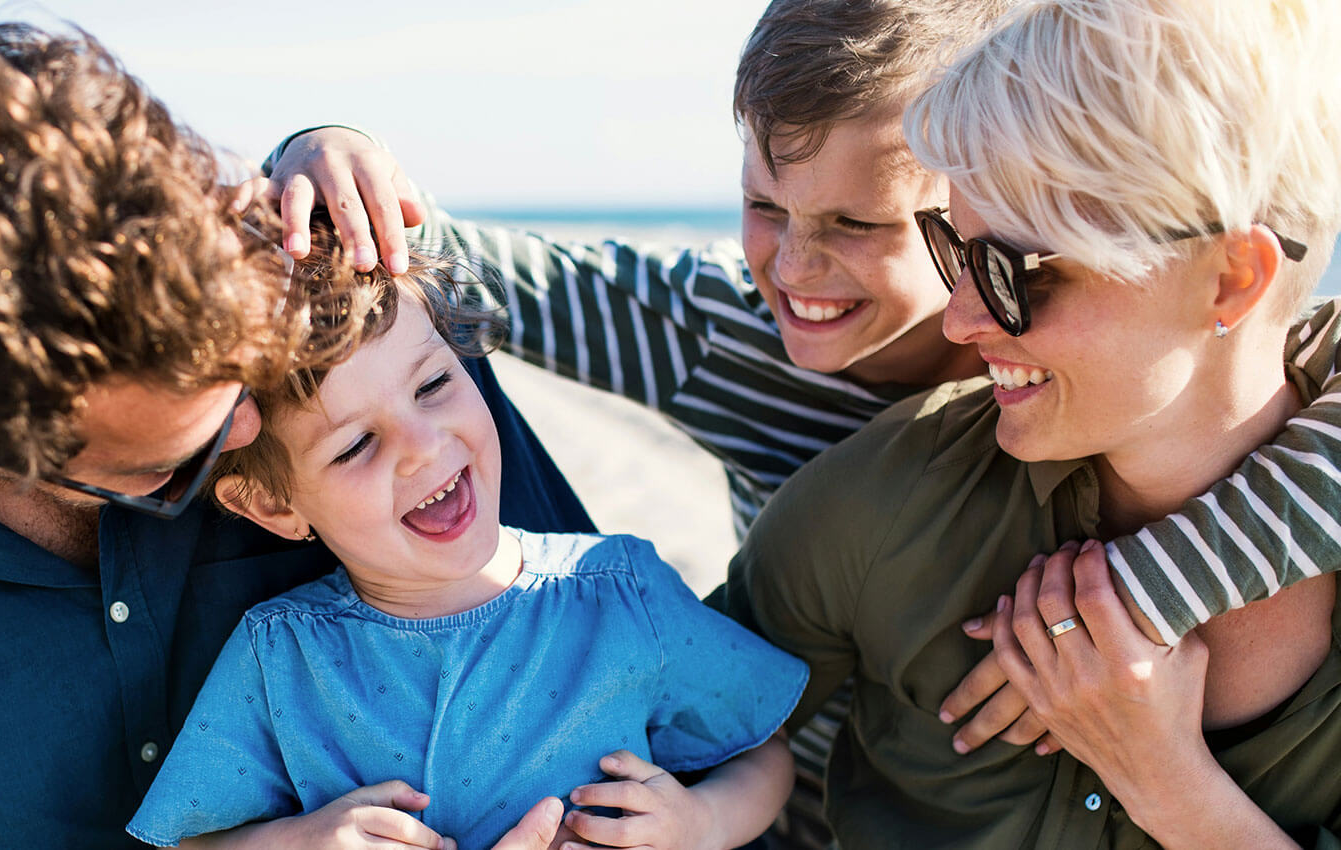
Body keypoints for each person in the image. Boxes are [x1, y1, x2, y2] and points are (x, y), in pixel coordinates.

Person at [262, 2, 1341, 841]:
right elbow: (443, 265)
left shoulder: (1129, 348)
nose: (792, 262)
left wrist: (1155, 587)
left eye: (861, 225)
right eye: (764, 208)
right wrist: (327, 152)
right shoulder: (737, 349)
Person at [0, 21, 590, 849]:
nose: (260, 427)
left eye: (248, 372)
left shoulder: (314, 309)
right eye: (191, 461)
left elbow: (581, 636)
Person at [723, 0, 1341, 844]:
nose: (960, 321)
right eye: (957, 252)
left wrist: (1169, 786)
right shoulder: (877, 502)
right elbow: (672, 733)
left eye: (1017, 272)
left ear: (1231, 279)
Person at [126, 234, 803, 850]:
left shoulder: (618, 589)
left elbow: (764, 752)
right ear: (272, 503)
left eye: (435, 384)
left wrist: (699, 823)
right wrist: (299, 842)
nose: (424, 448)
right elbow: (190, 842)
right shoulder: (281, 653)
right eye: (357, 445)